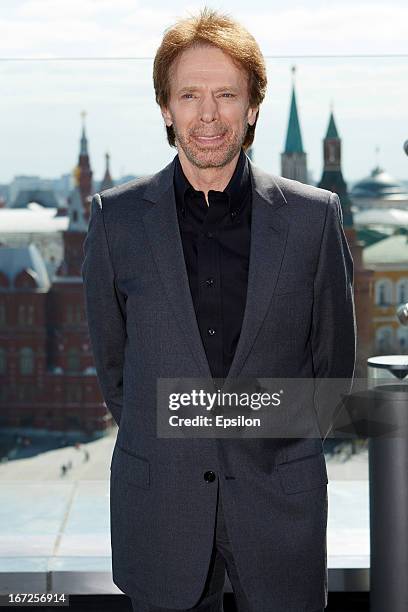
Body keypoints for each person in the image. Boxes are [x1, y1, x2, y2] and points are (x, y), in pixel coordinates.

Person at [81, 8, 356, 612]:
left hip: (281, 511)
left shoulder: (315, 218)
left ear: (252, 107)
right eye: (189, 95)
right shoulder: (115, 221)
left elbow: (330, 373)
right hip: (161, 511)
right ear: (165, 108)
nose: (208, 114)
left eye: (227, 94)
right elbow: (117, 375)